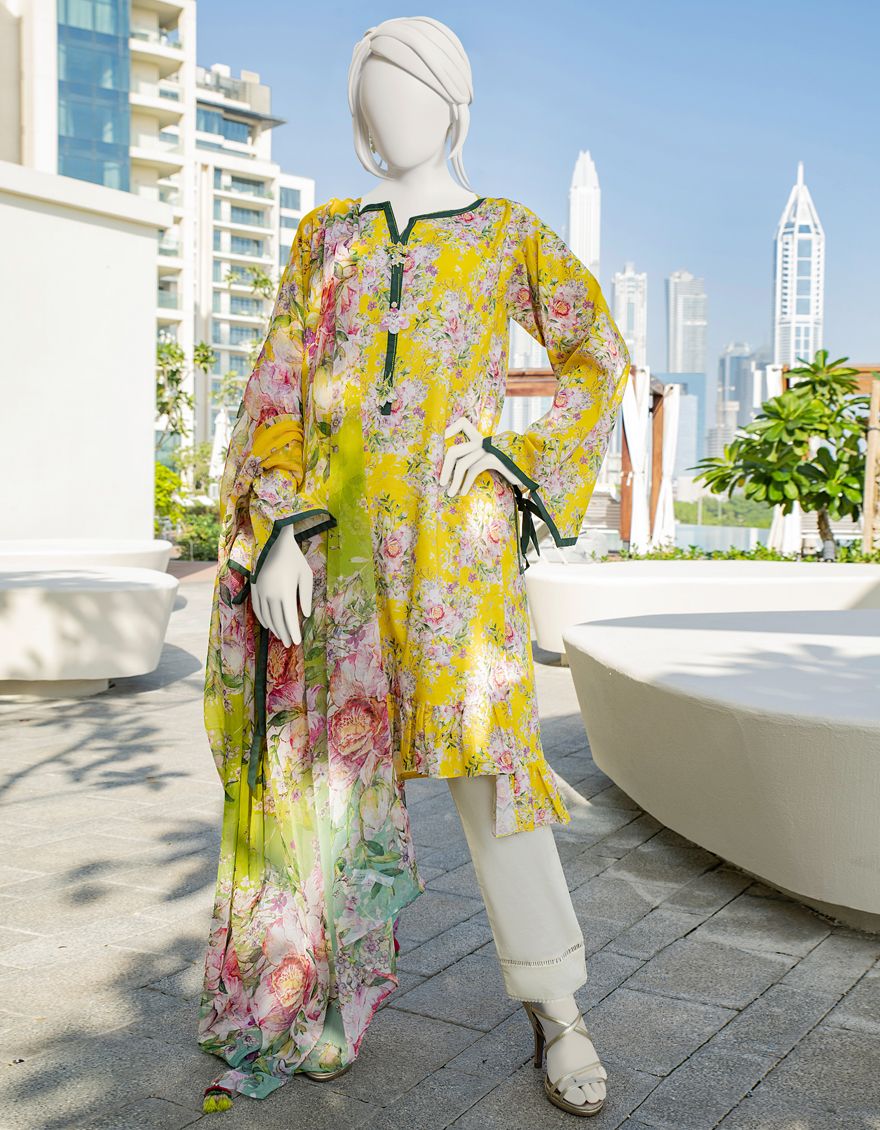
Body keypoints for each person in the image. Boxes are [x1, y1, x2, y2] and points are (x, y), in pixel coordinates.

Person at [199, 16, 630, 1119]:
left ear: (456, 106)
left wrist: (514, 456)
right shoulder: (324, 238)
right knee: (322, 778)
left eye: (415, 91)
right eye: (374, 95)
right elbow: (278, 386)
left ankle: (559, 1009)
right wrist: (277, 529)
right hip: (334, 554)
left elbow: (597, 354)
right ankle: (308, 992)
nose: (393, 114)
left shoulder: (507, 234)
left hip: (455, 559)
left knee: (494, 774)